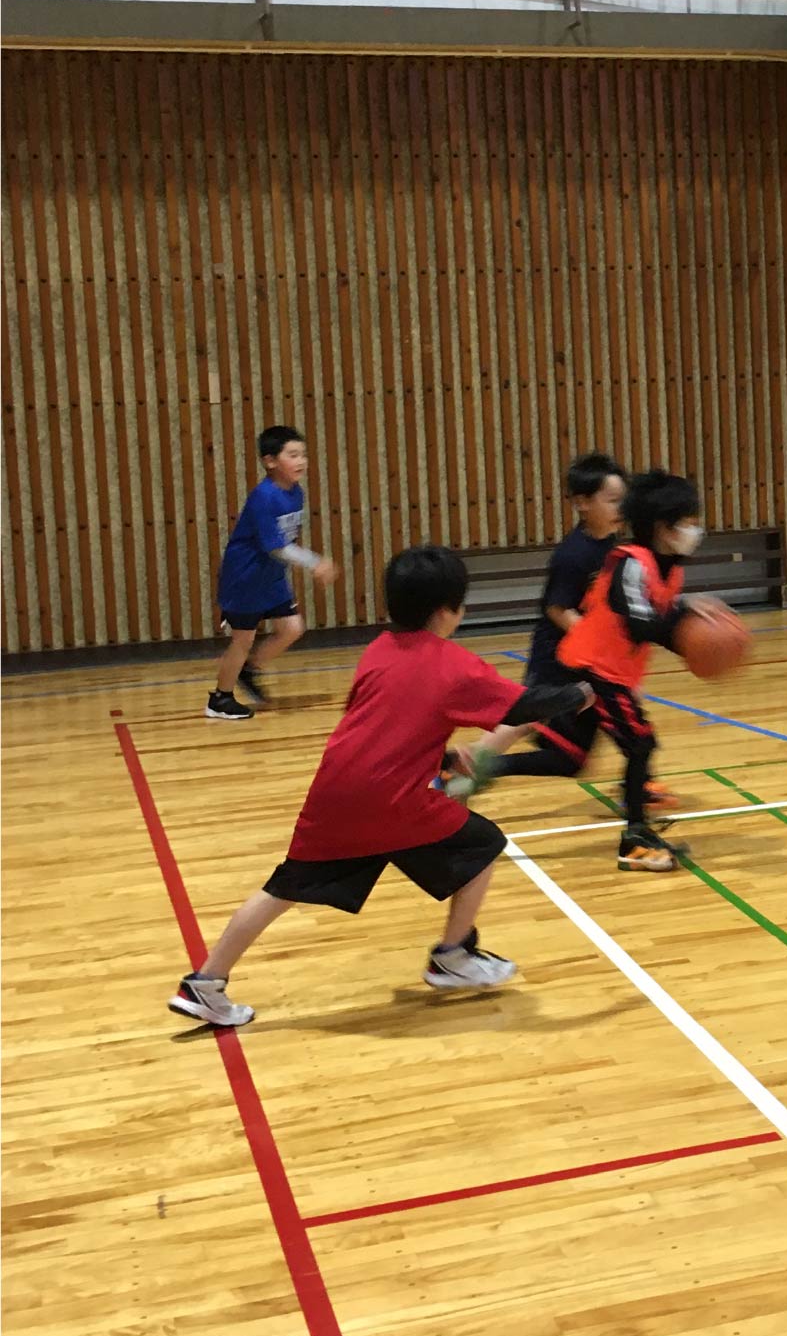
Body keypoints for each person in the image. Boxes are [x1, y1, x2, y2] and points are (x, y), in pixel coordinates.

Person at [167, 546, 594, 1028]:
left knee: (281, 888)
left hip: (334, 793)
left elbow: (383, 725)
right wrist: (587, 685)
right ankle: (452, 955)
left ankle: (205, 982)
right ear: (445, 611)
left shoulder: (378, 649)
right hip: (394, 803)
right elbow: (527, 705)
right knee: (485, 843)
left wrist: (441, 759)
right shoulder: (455, 666)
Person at [539, 469, 729, 872]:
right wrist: (684, 617)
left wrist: (698, 642)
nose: (696, 531)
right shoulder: (630, 564)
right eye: (689, 523)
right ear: (663, 528)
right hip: (594, 669)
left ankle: (469, 765)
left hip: (612, 670)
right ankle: (634, 839)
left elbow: (657, 628)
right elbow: (640, 624)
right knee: (639, 743)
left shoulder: (670, 568)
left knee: (572, 757)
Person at [473, 452, 629, 789]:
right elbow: (557, 609)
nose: (621, 507)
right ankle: (468, 765)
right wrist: (599, 642)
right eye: (613, 500)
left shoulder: (611, 547)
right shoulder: (574, 554)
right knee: (525, 720)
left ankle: (638, 780)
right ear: (582, 502)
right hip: (556, 658)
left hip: (584, 659)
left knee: (597, 724)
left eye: (623, 500)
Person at [207, 424, 338, 720]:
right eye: (293, 455)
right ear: (270, 461)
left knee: (292, 629)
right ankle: (220, 699)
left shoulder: (296, 493)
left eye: (303, 454)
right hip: (245, 577)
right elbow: (274, 546)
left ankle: (249, 670)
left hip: (271, 577)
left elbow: (285, 540)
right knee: (243, 639)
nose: (301, 461)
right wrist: (314, 561)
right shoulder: (263, 497)